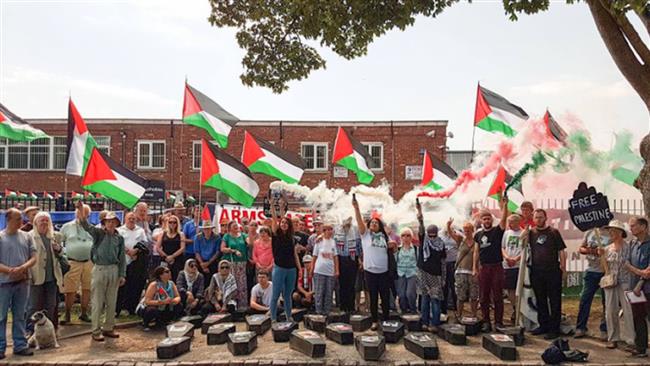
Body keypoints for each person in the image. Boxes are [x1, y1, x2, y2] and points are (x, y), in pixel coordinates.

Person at [77, 201, 126, 342]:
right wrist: (81, 210)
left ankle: (108, 327)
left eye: (113, 221)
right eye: (108, 221)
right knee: (98, 302)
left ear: (116, 223)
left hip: (113, 269)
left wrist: (122, 274)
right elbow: (86, 226)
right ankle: (95, 330)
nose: (110, 224)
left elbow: (122, 257)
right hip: (100, 268)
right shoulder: (99, 233)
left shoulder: (119, 238)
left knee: (112, 301)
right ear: (104, 223)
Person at [0, 208, 37, 358]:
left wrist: (23, 267)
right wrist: (9, 270)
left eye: (21, 218)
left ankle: (20, 345)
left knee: (20, 314)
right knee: (1, 316)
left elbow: (34, 257)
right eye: (18, 219)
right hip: (3, 283)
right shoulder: (1, 238)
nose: (21, 222)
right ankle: (1, 347)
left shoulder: (27, 237)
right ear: (8, 220)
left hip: (22, 281)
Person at [528, 209, 567, 340]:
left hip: (552, 271)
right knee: (540, 299)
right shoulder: (531, 233)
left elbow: (561, 250)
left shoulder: (553, 232)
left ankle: (554, 329)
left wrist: (563, 267)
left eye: (541, 217)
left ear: (546, 218)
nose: (538, 219)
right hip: (537, 271)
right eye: (536, 217)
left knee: (555, 300)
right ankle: (543, 325)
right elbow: (523, 245)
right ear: (533, 219)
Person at [353, 196, 390, 330]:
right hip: (370, 272)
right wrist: (356, 208)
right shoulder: (366, 235)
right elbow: (359, 222)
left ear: (380, 226)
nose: (374, 224)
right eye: (372, 223)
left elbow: (391, 248)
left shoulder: (385, 236)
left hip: (384, 271)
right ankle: (375, 321)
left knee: (385, 297)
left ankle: (386, 320)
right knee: (373, 297)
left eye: (376, 223)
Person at [473, 197, 509, 332]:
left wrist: (505, 206)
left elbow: (504, 220)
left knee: (498, 295)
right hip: (484, 268)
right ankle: (486, 321)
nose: (486, 221)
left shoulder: (497, 231)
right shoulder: (478, 234)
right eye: (484, 219)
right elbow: (476, 252)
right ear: (481, 221)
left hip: (497, 267)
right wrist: (474, 268)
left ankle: (498, 322)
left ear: (491, 220)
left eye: (488, 219)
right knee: (483, 296)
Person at [599, 220, 634, 349]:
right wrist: (601, 257)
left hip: (626, 281)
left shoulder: (629, 247)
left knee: (628, 310)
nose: (611, 232)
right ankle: (613, 338)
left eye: (613, 230)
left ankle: (631, 338)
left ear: (620, 232)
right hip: (610, 281)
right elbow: (604, 267)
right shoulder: (607, 249)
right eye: (610, 230)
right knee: (610, 310)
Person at [28, 212, 64, 332]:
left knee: (51, 305)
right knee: (33, 306)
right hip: (35, 276)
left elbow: (61, 254)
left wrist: (59, 250)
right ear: (35, 223)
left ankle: (49, 330)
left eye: (46, 220)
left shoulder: (55, 236)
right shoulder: (29, 236)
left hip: (52, 277)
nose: (44, 223)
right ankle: (30, 331)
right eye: (41, 220)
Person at [59, 203, 93, 324]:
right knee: (70, 290)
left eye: (87, 215)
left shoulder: (91, 228)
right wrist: (62, 255)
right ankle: (67, 314)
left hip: (89, 262)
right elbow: (58, 241)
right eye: (83, 214)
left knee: (87, 288)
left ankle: (84, 313)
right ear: (77, 213)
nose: (85, 217)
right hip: (72, 261)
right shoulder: (67, 227)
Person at [269, 195, 301, 322]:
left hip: (291, 269)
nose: (283, 224)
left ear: (289, 226)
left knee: (288, 295)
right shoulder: (276, 234)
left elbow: (294, 254)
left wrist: (299, 268)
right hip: (279, 268)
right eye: (282, 222)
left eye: (286, 223)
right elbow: (274, 219)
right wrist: (274, 206)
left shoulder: (291, 238)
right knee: (275, 295)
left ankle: (289, 317)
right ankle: (272, 318)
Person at [415, 202, 446, 332]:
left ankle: (435, 324)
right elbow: (421, 226)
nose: (432, 236)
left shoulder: (441, 244)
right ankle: (425, 322)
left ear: (437, 233)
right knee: (425, 300)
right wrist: (420, 212)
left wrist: (443, 278)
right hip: (423, 273)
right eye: (430, 233)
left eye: (434, 234)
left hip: (436, 275)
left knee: (435, 300)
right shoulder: (424, 240)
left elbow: (443, 262)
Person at [574, 227, 609, 339]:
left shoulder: (611, 233)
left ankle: (605, 329)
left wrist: (605, 251)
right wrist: (593, 251)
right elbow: (581, 248)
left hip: (606, 271)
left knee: (607, 302)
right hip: (591, 271)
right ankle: (581, 327)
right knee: (585, 299)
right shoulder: (590, 232)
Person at [626, 216, 650, 357]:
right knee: (638, 317)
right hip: (634, 289)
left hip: (647, 289)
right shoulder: (632, 244)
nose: (631, 228)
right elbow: (627, 263)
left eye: (633, 226)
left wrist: (641, 277)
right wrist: (640, 273)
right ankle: (640, 347)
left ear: (643, 226)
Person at [116, 212, 149, 316]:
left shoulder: (140, 231)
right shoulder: (119, 230)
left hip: (136, 262)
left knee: (134, 286)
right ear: (125, 219)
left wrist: (135, 251)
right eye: (129, 218)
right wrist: (127, 251)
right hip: (123, 260)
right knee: (122, 286)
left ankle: (131, 308)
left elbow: (144, 243)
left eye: (133, 218)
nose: (131, 220)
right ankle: (120, 308)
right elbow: (117, 243)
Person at [447, 219, 479, 319]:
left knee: (474, 295)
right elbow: (452, 234)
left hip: (472, 271)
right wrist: (448, 225)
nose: (466, 232)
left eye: (468, 230)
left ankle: (474, 314)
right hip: (461, 270)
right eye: (465, 230)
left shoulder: (477, 241)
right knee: (460, 295)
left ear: (472, 230)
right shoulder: (461, 240)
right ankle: (459, 314)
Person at [334, 216, 361, 313]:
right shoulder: (337, 229)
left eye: (349, 219)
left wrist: (360, 260)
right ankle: (343, 306)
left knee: (351, 284)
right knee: (342, 284)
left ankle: (351, 307)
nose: (347, 221)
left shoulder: (356, 230)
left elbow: (359, 246)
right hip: (340, 259)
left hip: (352, 259)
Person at [312, 222, 339, 315]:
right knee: (319, 292)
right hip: (319, 270)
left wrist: (337, 270)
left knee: (329, 293)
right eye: (326, 230)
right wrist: (312, 268)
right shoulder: (319, 241)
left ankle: (327, 311)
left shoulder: (333, 241)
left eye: (330, 229)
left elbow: (335, 257)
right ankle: (319, 312)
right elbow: (314, 256)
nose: (329, 231)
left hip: (330, 271)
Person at [220, 221, 249, 308]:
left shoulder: (243, 235)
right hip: (231, 263)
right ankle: (231, 305)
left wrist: (250, 232)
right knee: (232, 284)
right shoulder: (227, 236)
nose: (236, 227)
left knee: (242, 284)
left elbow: (250, 243)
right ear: (230, 228)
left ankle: (242, 305)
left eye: (237, 225)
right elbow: (222, 249)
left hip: (241, 263)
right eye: (234, 226)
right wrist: (233, 251)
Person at [501, 213, 523, 325]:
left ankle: (520, 310)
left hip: (518, 265)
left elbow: (525, 249)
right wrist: (507, 257)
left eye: (511, 222)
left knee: (518, 288)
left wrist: (516, 259)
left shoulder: (523, 233)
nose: (509, 224)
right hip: (507, 264)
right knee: (510, 289)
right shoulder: (506, 233)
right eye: (508, 222)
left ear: (518, 222)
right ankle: (514, 308)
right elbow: (503, 247)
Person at [155, 215, 186, 281]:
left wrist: (172, 256)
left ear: (177, 223)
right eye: (170, 222)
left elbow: (182, 248)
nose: (172, 224)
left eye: (174, 222)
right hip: (164, 259)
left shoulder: (181, 234)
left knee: (176, 278)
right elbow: (158, 247)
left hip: (177, 260)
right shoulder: (162, 233)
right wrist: (166, 257)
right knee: (163, 278)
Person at [395, 227, 418, 313]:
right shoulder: (398, 249)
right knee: (401, 295)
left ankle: (413, 310)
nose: (405, 237)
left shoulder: (416, 249)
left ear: (411, 237)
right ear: (400, 237)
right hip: (401, 273)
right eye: (403, 235)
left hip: (412, 273)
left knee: (410, 294)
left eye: (408, 235)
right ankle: (403, 311)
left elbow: (418, 261)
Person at [440, 225, 458, 318]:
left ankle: (456, 307)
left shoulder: (457, 234)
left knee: (453, 285)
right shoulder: (440, 235)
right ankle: (443, 308)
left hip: (454, 262)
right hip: (444, 263)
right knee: (444, 286)